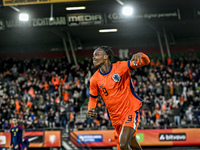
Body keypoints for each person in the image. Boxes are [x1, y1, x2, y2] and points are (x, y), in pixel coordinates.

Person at [88, 46, 150, 150]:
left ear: (105, 57)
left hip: (129, 110)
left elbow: (145, 62)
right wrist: (91, 108)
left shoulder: (121, 67)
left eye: (96, 55)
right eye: (93, 56)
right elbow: (93, 98)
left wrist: (141, 55)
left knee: (123, 145)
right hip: (115, 118)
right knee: (133, 144)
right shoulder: (95, 79)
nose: (93, 58)